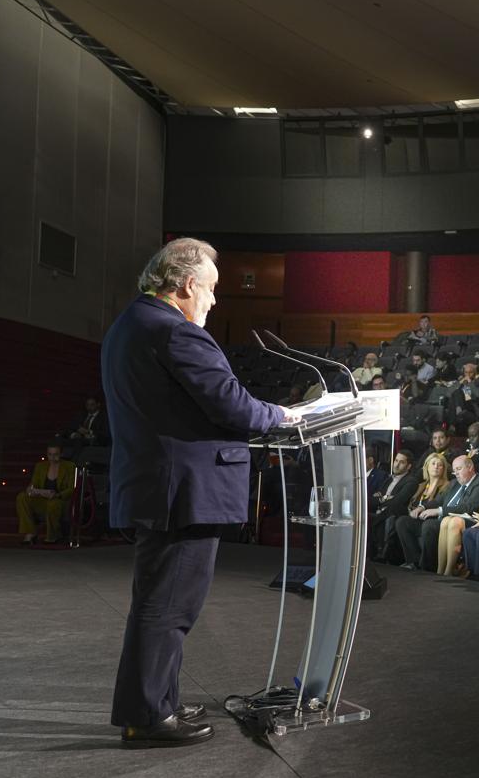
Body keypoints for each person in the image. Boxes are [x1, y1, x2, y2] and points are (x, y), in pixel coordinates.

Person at [104, 238, 299, 748]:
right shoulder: (176, 332)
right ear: (188, 284)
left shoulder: (131, 324)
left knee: (160, 603)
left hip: (160, 486)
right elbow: (231, 405)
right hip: (181, 492)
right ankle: (147, 717)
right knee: (168, 608)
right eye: (210, 289)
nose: (213, 301)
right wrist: (282, 415)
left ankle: (157, 702)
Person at [397, 455, 479, 571]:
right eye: (454, 471)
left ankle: (427, 568)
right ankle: (414, 562)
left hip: (457, 523)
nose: (456, 473)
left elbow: (469, 507)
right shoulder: (455, 483)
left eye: (459, 469)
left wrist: (439, 511)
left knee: (429, 525)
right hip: (442, 520)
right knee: (403, 522)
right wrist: (422, 507)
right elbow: (439, 500)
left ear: (470, 467)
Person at [17, 442, 76, 544]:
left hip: (59, 500)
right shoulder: (40, 466)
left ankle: (52, 536)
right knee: (22, 497)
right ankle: (30, 533)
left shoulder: (69, 466)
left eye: (55, 454)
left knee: (53, 504)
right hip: (43, 498)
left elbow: (71, 488)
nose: (52, 457)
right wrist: (31, 490)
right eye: (50, 454)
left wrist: (57, 495)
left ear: (61, 454)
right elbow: (34, 484)